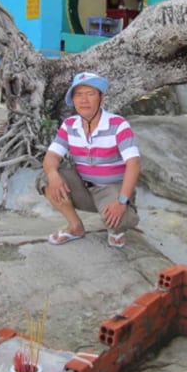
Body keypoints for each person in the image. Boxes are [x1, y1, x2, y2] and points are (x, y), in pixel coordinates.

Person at [37, 71, 141, 248]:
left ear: (101, 98)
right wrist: (53, 174)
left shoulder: (118, 124)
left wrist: (122, 201)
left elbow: (134, 163)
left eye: (90, 94)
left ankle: (116, 228)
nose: (83, 100)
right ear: (73, 100)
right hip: (83, 187)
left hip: (111, 189)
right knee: (47, 178)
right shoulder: (70, 125)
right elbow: (52, 156)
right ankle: (75, 226)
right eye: (78, 95)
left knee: (121, 219)